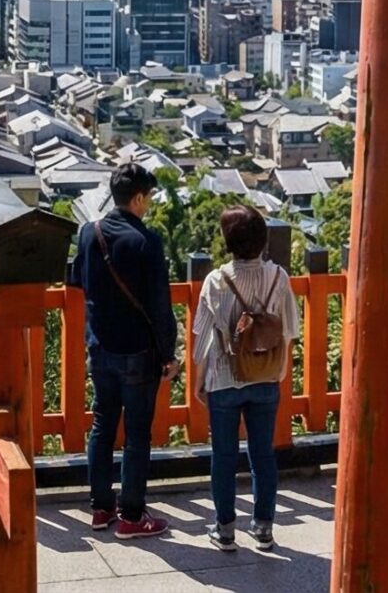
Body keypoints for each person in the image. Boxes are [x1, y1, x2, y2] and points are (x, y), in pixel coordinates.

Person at [67, 162, 177, 540]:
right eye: (149, 198)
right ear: (139, 197)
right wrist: (168, 353)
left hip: (100, 346)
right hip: (138, 351)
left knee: (101, 425)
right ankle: (131, 514)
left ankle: (100, 507)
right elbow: (160, 305)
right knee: (136, 434)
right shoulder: (147, 241)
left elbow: (76, 277)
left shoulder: (88, 233)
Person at [192, 206, 301, 551]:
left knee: (223, 456)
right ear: (262, 240)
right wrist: (280, 370)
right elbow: (290, 331)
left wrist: (198, 380)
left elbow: (202, 337)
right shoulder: (278, 277)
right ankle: (264, 526)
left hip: (225, 377)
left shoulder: (215, 280)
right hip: (266, 377)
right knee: (263, 455)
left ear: (228, 242)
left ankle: (225, 530)